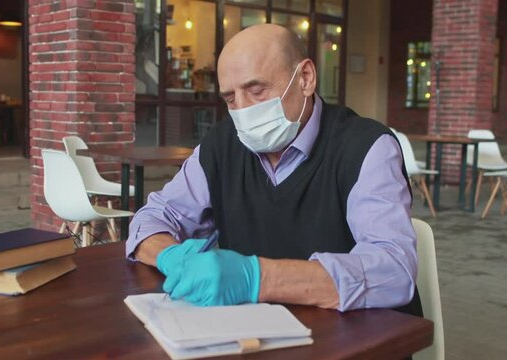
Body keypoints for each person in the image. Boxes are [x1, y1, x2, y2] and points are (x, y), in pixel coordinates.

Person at [126, 24, 421, 316]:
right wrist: (170, 256)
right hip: (255, 332)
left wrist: (256, 278)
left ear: (305, 78)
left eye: (257, 90)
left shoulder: (367, 148)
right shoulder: (221, 145)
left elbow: (394, 271)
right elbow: (152, 218)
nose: (242, 110)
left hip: (354, 337)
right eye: (230, 98)